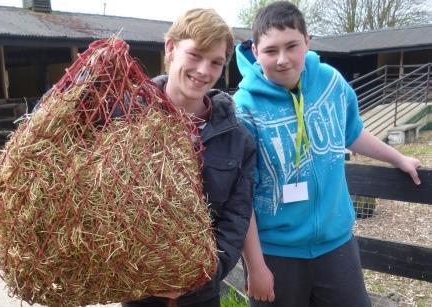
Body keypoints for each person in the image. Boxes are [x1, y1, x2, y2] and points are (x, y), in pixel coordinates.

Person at [233, 1, 421, 307]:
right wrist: (255, 266)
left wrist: (397, 158)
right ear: (255, 52)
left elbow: (352, 132)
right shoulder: (244, 108)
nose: (282, 59)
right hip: (277, 252)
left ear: (307, 41)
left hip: (337, 246)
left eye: (292, 46)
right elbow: (242, 192)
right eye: (270, 50)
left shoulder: (331, 82)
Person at [122, 8, 256, 307]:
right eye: (195, 55)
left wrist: (204, 275)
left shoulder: (237, 139)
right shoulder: (126, 118)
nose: (204, 71)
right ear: (170, 48)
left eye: (216, 62)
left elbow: (236, 218)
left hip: (201, 294)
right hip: (139, 291)